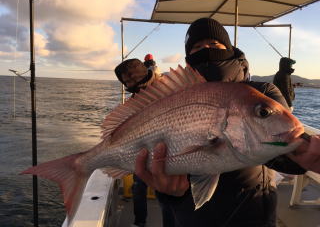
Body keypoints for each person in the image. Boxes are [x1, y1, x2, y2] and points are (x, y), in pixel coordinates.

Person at [134, 18, 311, 227]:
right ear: (188, 55)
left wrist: (304, 151)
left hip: (252, 211)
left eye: (213, 43)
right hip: (189, 214)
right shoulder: (176, 94)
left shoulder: (262, 92)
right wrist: (168, 194)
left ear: (228, 47)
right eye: (197, 46)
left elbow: (286, 156)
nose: (206, 49)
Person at [114, 58, 176, 227]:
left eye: (132, 79)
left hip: (169, 153)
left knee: (166, 198)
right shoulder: (135, 98)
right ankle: (139, 222)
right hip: (143, 151)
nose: (130, 83)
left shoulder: (166, 88)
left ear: (143, 74)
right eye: (126, 81)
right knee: (138, 187)